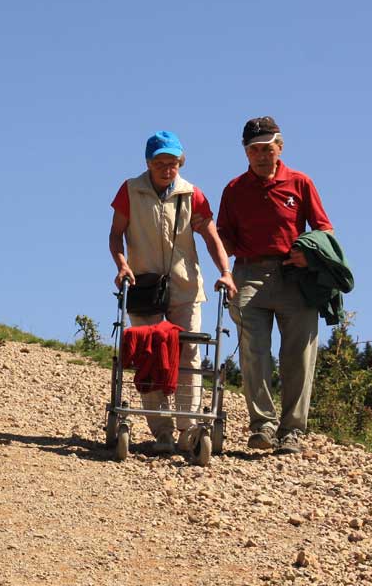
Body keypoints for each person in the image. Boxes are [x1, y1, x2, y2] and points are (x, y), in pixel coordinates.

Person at [110, 131, 236, 454]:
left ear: (181, 163)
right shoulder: (130, 191)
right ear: (149, 163)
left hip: (185, 286)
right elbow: (116, 235)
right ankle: (161, 430)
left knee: (190, 353)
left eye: (173, 163)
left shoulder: (192, 194)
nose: (168, 169)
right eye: (161, 163)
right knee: (150, 354)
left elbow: (211, 238)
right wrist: (122, 265)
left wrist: (225, 272)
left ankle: (188, 427)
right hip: (143, 285)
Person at [217, 116, 333, 454]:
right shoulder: (234, 189)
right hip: (249, 274)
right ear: (246, 152)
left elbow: (324, 228)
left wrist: (308, 256)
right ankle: (263, 426)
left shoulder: (300, 183)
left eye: (268, 148)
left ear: (280, 148)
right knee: (254, 351)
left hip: (295, 276)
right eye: (255, 149)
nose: (262, 155)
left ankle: (292, 430)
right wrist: (223, 268)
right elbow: (224, 235)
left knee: (298, 354)